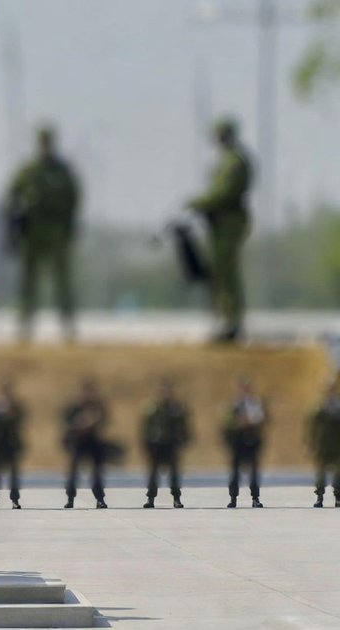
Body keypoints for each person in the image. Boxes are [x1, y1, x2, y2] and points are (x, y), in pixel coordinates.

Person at [5, 124, 80, 343]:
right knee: (29, 281)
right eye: (43, 142)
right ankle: (25, 324)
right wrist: (14, 228)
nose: (45, 146)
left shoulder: (62, 172)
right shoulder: (29, 171)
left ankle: (67, 324)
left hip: (56, 233)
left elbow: (73, 200)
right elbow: (12, 197)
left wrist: (68, 228)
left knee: (62, 281)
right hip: (33, 234)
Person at [188, 117, 253, 344]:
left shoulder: (235, 162)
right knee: (219, 272)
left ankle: (232, 322)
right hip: (219, 224)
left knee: (226, 272)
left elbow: (225, 193)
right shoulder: (227, 161)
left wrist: (199, 202)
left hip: (230, 223)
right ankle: (226, 320)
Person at [141, 379, 191, 509]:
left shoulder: (176, 408)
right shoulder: (152, 408)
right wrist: (147, 443)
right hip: (156, 444)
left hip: (171, 443)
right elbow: (146, 427)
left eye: (167, 391)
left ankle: (176, 498)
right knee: (153, 474)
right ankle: (150, 498)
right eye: (162, 391)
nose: (164, 394)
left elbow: (184, 426)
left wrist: (181, 440)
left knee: (174, 473)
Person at [62, 379, 109, 509]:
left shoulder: (98, 407)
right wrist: (78, 424)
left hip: (94, 442)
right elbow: (67, 422)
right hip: (79, 442)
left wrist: (93, 422)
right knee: (73, 473)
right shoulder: (75, 408)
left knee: (97, 473)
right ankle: (70, 498)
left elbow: (104, 420)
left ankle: (100, 499)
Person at [222, 376, 267, 508]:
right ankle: (233, 498)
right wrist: (239, 424)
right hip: (238, 441)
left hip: (251, 440)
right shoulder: (234, 405)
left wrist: (251, 422)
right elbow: (228, 423)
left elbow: (262, 419)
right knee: (235, 472)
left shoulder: (255, 404)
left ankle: (255, 498)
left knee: (254, 472)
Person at [0, 377, 25, 510]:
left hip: (11, 444)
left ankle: (15, 499)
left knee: (14, 475)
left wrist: (11, 412)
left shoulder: (15, 405)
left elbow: (20, 421)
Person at [307, 379, 340, 508]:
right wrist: (311, 442)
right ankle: (319, 497)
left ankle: (338, 497)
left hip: (337, 445)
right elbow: (312, 426)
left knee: (338, 473)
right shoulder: (320, 408)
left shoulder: (337, 407)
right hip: (322, 445)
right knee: (320, 473)